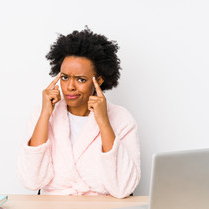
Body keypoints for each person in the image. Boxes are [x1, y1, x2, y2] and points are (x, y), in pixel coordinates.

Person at [17, 28, 140, 198]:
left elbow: (123, 188)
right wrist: (45, 116)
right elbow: (31, 181)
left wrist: (104, 121)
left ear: (99, 80)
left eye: (81, 79)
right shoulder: (42, 113)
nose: (70, 86)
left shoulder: (121, 118)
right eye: (65, 77)